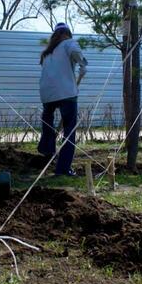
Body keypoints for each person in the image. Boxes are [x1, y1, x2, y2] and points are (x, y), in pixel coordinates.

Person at [38, 22, 88, 176]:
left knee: (48, 124)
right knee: (69, 130)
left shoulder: (47, 52)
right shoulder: (69, 43)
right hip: (66, 93)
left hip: (47, 94)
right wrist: (83, 64)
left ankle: (47, 150)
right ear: (67, 33)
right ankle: (63, 169)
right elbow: (76, 53)